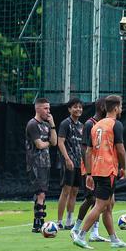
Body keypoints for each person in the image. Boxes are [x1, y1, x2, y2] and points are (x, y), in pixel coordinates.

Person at [72, 95, 126, 249]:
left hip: (97, 169)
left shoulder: (96, 125)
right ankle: (81, 235)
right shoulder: (115, 124)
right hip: (107, 169)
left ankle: (114, 240)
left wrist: (89, 173)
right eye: (120, 106)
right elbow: (120, 149)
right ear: (116, 108)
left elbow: (88, 151)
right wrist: (124, 168)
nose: (121, 109)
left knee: (108, 206)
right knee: (100, 205)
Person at [75, 101, 107, 243]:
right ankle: (76, 228)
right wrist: (88, 169)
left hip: (99, 167)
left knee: (98, 200)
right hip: (89, 168)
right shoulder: (89, 124)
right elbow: (84, 148)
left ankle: (95, 232)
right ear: (102, 107)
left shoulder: (104, 124)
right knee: (91, 199)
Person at [25, 97, 57, 234]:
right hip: (35, 163)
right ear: (38, 109)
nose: (48, 111)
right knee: (40, 193)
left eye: (49, 108)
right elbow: (39, 144)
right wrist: (48, 143)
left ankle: (39, 221)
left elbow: (54, 142)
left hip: (45, 163)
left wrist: (52, 124)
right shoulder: (32, 124)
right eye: (45, 108)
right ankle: (38, 223)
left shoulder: (46, 125)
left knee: (42, 193)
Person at [55, 98, 86, 231]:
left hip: (79, 163)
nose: (78, 109)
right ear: (69, 109)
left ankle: (69, 221)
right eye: (75, 107)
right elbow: (60, 142)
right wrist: (67, 159)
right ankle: (59, 221)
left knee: (74, 192)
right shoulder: (65, 123)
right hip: (68, 163)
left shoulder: (82, 126)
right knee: (66, 191)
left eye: (80, 107)